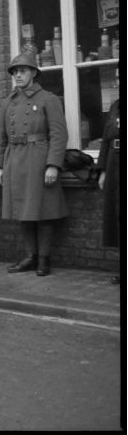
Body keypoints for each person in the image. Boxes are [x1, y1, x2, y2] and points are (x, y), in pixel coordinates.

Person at [0, 52, 68, 276]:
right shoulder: (8, 102)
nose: (18, 75)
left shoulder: (48, 99)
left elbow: (59, 135)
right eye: (15, 72)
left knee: (42, 211)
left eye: (23, 71)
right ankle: (30, 256)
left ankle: (44, 258)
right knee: (23, 211)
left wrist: (53, 164)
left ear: (34, 73)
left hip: (39, 158)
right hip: (14, 160)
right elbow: (0, 137)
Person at [97, 67, 120, 284]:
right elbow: (105, 140)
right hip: (115, 163)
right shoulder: (115, 106)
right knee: (118, 214)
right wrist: (103, 170)